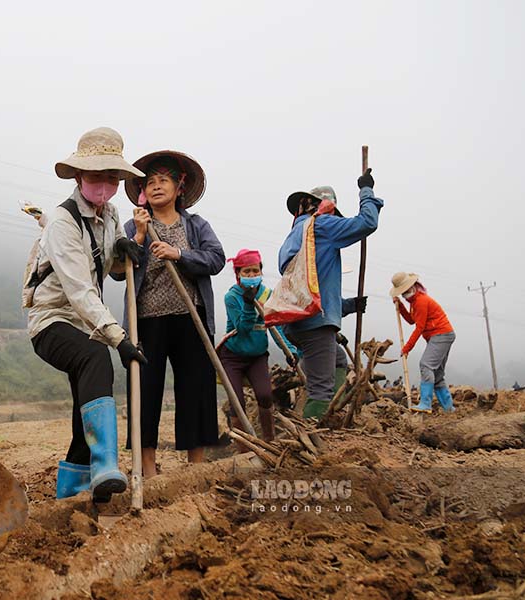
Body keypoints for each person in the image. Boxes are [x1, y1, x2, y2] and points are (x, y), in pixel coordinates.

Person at [28, 126, 146, 502]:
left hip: (83, 322)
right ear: (79, 176)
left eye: (111, 177)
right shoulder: (62, 223)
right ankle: (105, 465)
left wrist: (124, 250)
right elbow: (79, 290)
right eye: (96, 175)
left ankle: (77, 494)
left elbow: (108, 271)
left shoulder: (110, 215)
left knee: (85, 408)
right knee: (96, 356)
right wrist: (119, 338)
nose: (104, 184)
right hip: (52, 321)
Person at [113, 151, 224, 476]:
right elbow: (118, 272)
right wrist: (140, 238)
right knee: (145, 390)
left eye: (164, 180)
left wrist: (180, 254)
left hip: (191, 318)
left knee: (196, 389)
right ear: (143, 192)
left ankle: (196, 467)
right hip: (147, 321)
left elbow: (216, 259)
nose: (157, 186)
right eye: (151, 182)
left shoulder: (196, 224)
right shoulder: (133, 225)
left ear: (179, 188)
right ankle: (147, 468)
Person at [278, 171, 383, 420]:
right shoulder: (321, 225)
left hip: (299, 322)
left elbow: (312, 289)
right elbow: (367, 222)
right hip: (315, 324)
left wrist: (349, 306)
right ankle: (318, 431)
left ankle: (331, 409)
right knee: (321, 389)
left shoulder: (297, 234)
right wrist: (366, 191)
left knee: (336, 359)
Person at [218, 249, 297, 442]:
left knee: (265, 395)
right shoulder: (232, 297)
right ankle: (244, 448)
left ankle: (269, 442)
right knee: (238, 403)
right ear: (238, 274)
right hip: (233, 356)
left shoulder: (268, 295)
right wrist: (248, 304)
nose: (251, 276)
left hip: (257, 356)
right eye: (246, 272)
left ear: (261, 272)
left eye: (255, 271)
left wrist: (291, 351)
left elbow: (275, 328)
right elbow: (243, 329)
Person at [390, 272, 456, 413]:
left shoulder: (420, 301)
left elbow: (419, 328)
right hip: (440, 336)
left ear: (412, 287)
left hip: (441, 334)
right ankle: (449, 409)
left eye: (405, 291)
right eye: (402, 293)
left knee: (425, 365)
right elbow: (411, 320)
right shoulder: (414, 302)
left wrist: (407, 348)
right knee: (437, 375)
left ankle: (425, 403)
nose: (404, 295)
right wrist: (400, 306)